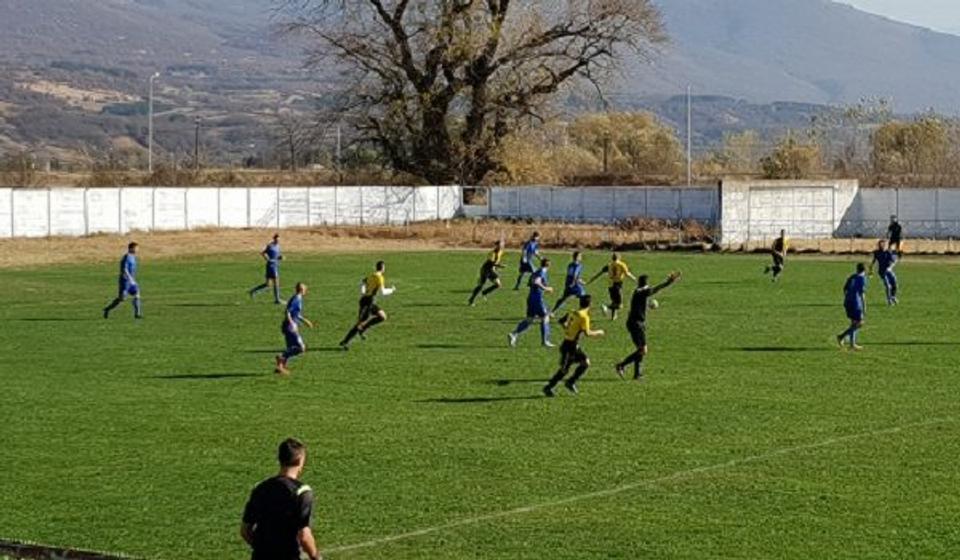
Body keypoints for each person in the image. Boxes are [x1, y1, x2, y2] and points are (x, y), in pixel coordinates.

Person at [241, 438, 321, 560]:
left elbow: (245, 530)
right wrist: (316, 557)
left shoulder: (261, 488)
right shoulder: (301, 492)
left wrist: (263, 548)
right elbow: (304, 536)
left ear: (280, 459)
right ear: (300, 460)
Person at [615, 272, 681, 381]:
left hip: (633, 322)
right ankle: (621, 365)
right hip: (636, 324)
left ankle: (637, 374)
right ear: (646, 284)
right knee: (643, 350)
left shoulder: (638, 291)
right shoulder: (643, 292)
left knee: (639, 349)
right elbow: (656, 289)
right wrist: (668, 282)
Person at [543, 295, 605, 397]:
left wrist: (567, 329)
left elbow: (561, 321)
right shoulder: (584, 317)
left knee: (585, 363)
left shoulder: (573, 312)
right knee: (564, 370)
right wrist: (599, 332)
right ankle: (548, 387)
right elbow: (588, 333)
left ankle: (570, 382)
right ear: (590, 304)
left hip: (572, 345)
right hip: (569, 346)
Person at [340, 261, 396, 350]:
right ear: (383, 268)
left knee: (382, 317)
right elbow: (383, 292)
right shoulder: (379, 277)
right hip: (367, 302)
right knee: (359, 323)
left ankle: (363, 328)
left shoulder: (371, 275)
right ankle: (345, 342)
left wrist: (363, 291)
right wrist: (392, 290)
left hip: (370, 301)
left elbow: (362, 282)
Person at [508, 258, 554, 348]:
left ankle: (513, 334)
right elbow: (536, 281)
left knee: (529, 320)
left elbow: (531, 282)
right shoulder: (542, 272)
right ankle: (545, 341)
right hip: (537, 298)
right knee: (545, 318)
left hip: (531, 298)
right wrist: (546, 288)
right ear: (549, 265)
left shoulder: (536, 271)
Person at [275, 283, 314, 375]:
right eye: (305, 289)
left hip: (288, 326)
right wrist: (292, 323)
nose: (306, 291)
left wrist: (305, 321)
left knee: (290, 348)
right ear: (301, 290)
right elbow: (287, 312)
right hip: (290, 327)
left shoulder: (298, 298)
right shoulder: (296, 299)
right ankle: (281, 357)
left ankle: (280, 368)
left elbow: (296, 314)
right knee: (301, 348)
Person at [587, 253, 636, 320]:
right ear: (619, 258)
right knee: (619, 305)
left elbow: (599, 274)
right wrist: (635, 279)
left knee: (614, 301)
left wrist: (590, 281)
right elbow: (627, 274)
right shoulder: (621, 264)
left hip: (610, 284)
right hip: (617, 284)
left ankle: (613, 317)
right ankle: (606, 307)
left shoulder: (609, 265)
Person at [103, 242, 143, 319]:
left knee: (137, 294)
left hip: (132, 281)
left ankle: (137, 314)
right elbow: (124, 269)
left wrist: (133, 280)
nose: (138, 249)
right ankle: (107, 309)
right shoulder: (126, 257)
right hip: (125, 281)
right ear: (131, 248)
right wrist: (130, 279)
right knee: (122, 299)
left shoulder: (134, 257)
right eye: (136, 248)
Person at [837, 263, 868, 351]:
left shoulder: (852, 277)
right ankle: (841, 336)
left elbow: (844, 289)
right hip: (855, 303)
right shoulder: (862, 279)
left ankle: (852, 344)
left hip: (847, 302)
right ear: (864, 270)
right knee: (859, 323)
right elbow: (862, 294)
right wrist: (864, 306)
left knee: (853, 323)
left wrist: (847, 298)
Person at [468, 240, 505, 306]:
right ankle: (471, 300)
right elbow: (491, 263)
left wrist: (496, 267)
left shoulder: (500, 252)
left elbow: (496, 262)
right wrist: (499, 266)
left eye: (502, 245)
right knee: (481, 286)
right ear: (496, 245)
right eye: (499, 245)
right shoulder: (492, 253)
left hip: (490, 270)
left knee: (498, 284)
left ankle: (484, 293)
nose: (501, 246)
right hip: (485, 269)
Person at [249, 233, 284, 304]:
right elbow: (262, 253)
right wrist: (267, 259)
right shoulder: (270, 246)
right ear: (274, 238)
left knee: (268, 284)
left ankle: (253, 291)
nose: (278, 240)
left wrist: (280, 257)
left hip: (274, 265)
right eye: (277, 238)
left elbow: (277, 256)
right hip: (271, 266)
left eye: (279, 239)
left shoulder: (278, 246)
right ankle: (277, 300)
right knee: (276, 282)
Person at [869, 239, 899, 306]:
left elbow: (894, 261)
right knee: (888, 286)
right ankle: (889, 300)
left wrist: (890, 267)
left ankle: (893, 297)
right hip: (882, 272)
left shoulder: (888, 252)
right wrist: (871, 270)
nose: (882, 246)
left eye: (883, 244)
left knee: (895, 285)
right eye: (880, 244)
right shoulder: (877, 253)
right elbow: (873, 262)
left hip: (889, 271)